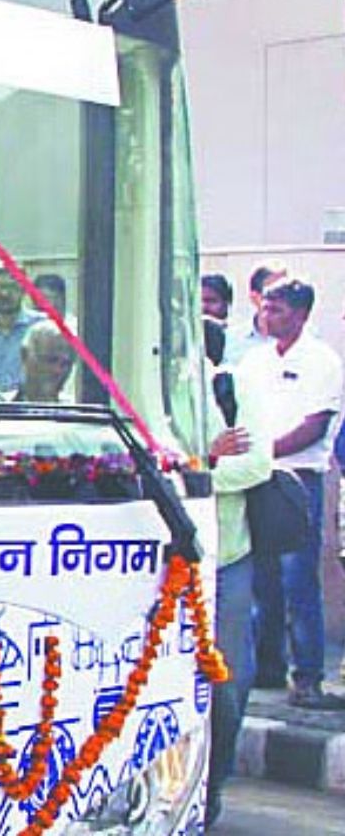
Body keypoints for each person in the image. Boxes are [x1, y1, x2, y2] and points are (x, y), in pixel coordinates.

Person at [239, 277, 345, 709]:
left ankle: (308, 677)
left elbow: (314, 426)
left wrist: (264, 452)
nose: (267, 315)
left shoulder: (322, 360)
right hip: (256, 476)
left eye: (277, 309)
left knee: (298, 579)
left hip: (298, 478)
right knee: (261, 578)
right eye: (265, 307)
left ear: (301, 314)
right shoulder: (254, 361)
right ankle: (268, 668)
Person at [201, 314, 273, 827]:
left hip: (227, 559)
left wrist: (197, 469)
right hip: (163, 559)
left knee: (226, 682)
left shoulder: (231, 388)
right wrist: (203, 458)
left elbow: (255, 465)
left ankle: (212, 786)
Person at [226, 261, 287, 369]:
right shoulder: (230, 340)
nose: (285, 301)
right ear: (255, 298)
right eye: (275, 294)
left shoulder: (307, 339)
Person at [10, 320, 75, 403]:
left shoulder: (77, 408)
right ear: (25, 356)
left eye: (65, 364)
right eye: (50, 360)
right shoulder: (0, 406)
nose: (57, 370)